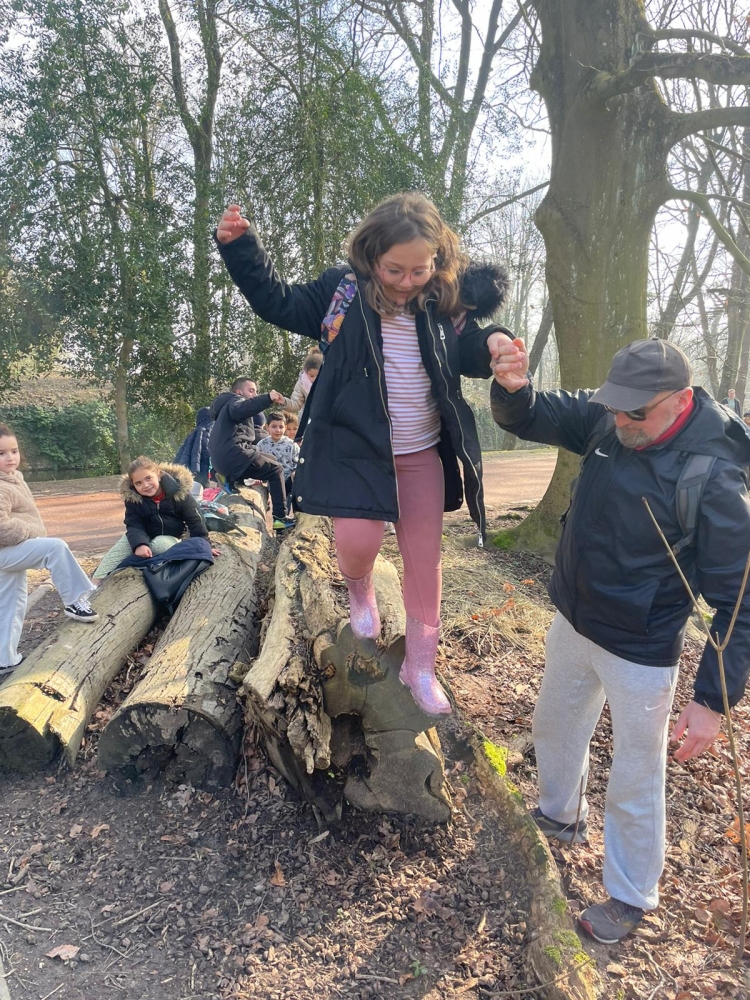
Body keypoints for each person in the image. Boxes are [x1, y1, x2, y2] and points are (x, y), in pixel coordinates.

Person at [490, 335, 750, 944]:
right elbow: (531, 414)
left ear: (681, 400)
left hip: (642, 647)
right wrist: (513, 389)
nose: (620, 420)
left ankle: (632, 894)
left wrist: (712, 700)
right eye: (614, 406)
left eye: (635, 411)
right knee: (554, 726)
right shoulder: (611, 418)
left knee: (637, 772)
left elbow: (740, 603)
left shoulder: (713, 475)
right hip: (574, 619)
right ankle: (561, 816)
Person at [215, 192, 510, 715]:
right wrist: (243, 249)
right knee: (357, 543)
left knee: (425, 561)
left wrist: (495, 343)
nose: (406, 281)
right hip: (355, 451)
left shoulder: (443, 300)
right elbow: (277, 301)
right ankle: (360, 590)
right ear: (371, 255)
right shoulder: (342, 293)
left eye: (419, 270)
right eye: (394, 270)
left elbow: (464, 351)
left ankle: (420, 666)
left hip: (421, 453)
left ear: (437, 260)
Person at [0, 424, 98, 677]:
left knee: (12, 602)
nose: (10, 457)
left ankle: (5, 659)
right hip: (4, 551)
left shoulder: (14, 478)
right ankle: (75, 600)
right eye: (1, 453)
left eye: (14, 451)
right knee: (55, 547)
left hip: (10, 550)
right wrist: (33, 531)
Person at [93, 457, 214, 579]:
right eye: (138, 483)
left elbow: (195, 520)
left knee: (159, 545)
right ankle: (95, 585)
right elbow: (134, 523)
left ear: (159, 475)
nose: (145, 485)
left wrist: (204, 546)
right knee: (109, 563)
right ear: (133, 485)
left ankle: (136, 564)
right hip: (142, 533)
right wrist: (139, 544)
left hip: (171, 536)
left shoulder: (180, 493)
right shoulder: (133, 499)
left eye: (148, 478)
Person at [208, 377, 294, 531]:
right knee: (276, 470)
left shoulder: (224, 407)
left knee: (271, 459)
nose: (255, 394)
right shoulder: (236, 401)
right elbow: (241, 409)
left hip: (221, 461)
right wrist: (267, 398)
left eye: (256, 391)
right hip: (235, 457)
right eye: (251, 390)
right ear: (239, 392)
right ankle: (280, 519)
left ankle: (227, 477)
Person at [256, 412, 299, 511]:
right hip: (272, 480)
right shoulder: (262, 445)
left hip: (289, 479)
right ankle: (280, 516)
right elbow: (257, 462)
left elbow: (298, 463)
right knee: (279, 504)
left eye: (281, 427)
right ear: (267, 427)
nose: (278, 430)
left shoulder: (291, 445)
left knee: (294, 502)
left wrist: (295, 473)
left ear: (285, 427)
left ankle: (296, 515)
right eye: (274, 426)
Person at [173, 407, 213, 486]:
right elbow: (205, 455)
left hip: (195, 476)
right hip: (205, 475)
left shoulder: (195, 433)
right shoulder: (205, 432)